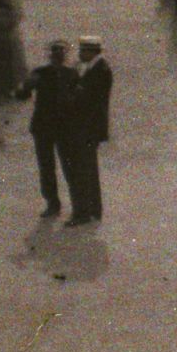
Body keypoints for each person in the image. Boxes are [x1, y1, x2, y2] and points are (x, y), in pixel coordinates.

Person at [14, 40, 78, 217]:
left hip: (45, 126)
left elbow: (22, 95)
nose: (57, 56)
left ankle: (53, 204)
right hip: (60, 126)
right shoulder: (70, 74)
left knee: (49, 167)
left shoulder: (42, 73)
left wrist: (25, 85)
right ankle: (70, 203)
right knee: (65, 166)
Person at [64, 37, 112, 225]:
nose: (80, 55)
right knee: (89, 170)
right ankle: (93, 209)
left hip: (86, 129)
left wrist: (74, 81)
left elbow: (84, 98)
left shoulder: (99, 71)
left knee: (82, 171)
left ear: (91, 51)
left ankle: (83, 213)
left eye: (82, 51)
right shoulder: (96, 68)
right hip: (90, 128)